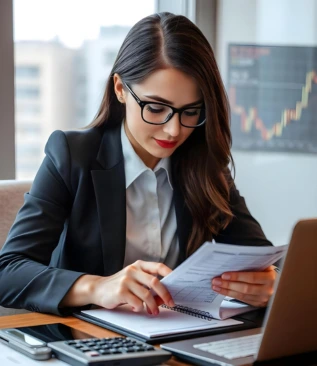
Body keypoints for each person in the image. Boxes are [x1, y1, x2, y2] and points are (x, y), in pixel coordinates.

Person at [0, 12, 276, 316]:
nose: (174, 130)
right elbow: (8, 273)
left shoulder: (203, 163)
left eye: (191, 111)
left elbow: (262, 258)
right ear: (120, 89)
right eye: (156, 108)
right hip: (87, 344)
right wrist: (98, 287)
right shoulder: (71, 155)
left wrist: (267, 284)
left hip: (179, 339)